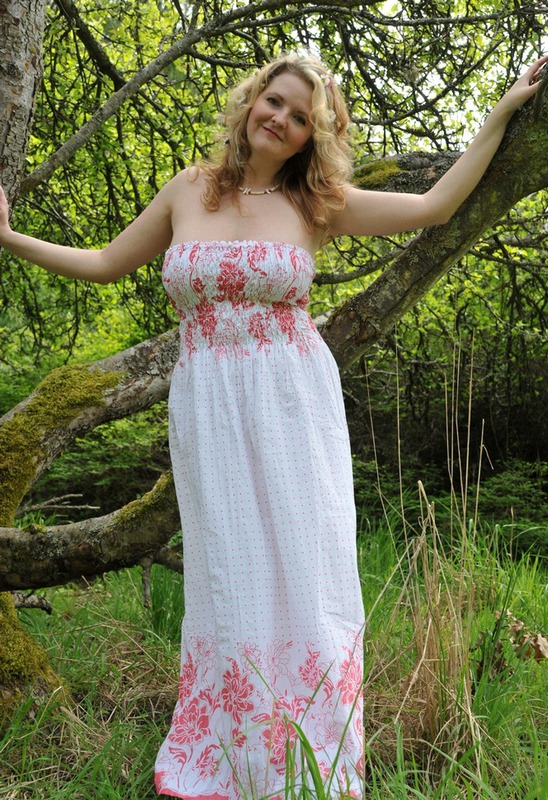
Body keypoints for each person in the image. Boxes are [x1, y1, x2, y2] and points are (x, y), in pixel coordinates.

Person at [0, 50, 546, 800]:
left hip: (291, 405)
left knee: (304, 569)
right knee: (228, 573)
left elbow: (435, 207)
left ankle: (309, 755)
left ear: (312, 136)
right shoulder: (189, 188)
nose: (281, 120)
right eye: (274, 102)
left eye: (300, 117)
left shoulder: (316, 203)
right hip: (207, 408)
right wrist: (7, 237)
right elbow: (102, 262)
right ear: (252, 101)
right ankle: (234, 753)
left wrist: (501, 112)